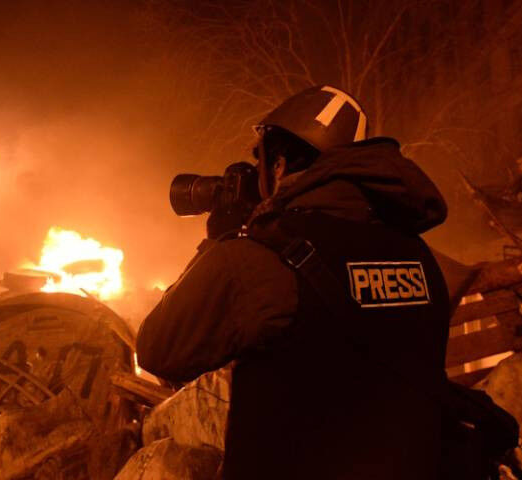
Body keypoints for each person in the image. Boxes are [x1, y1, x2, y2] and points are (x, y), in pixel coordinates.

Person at [136, 85, 453, 479]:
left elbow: (158, 349)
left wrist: (218, 241)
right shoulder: (419, 255)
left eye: (263, 163)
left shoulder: (259, 259)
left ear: (282, 165)